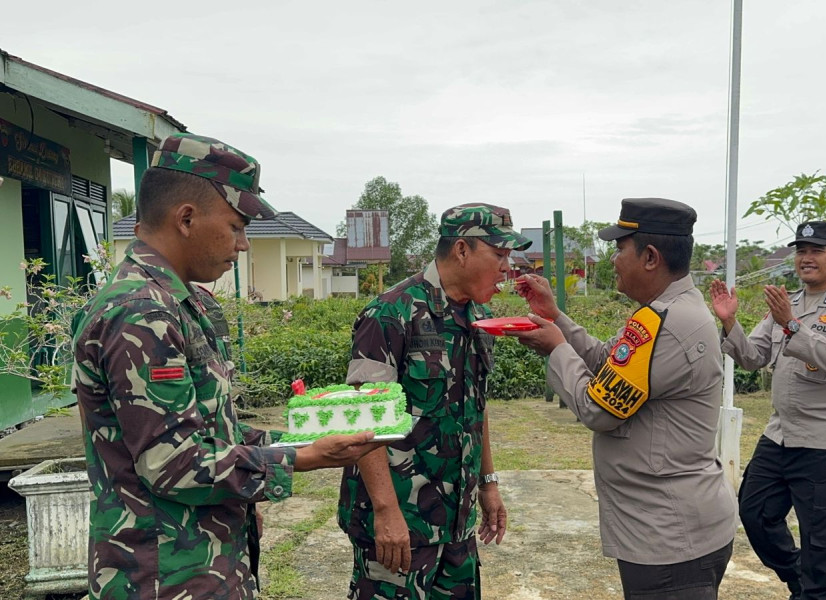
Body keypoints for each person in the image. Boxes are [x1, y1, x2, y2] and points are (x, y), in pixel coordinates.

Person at [71, 133, 382, 600]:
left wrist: (302, 437)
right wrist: (307, 457)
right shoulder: (141, 313)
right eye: (236, 227)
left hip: (202, 562)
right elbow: (172, 464)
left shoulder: (182, 302)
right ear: (186, 218)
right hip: (161, 576)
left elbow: (211, 431)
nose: (242, 245)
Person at [513, 197, 737, 600]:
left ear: (650, 257)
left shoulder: (667, 322)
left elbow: (599, 408)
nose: (613, 260)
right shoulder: (666, 312)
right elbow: (609, 364)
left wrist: (556, 349)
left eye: (619, 249)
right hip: (668, 530)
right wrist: (557, 318)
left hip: (670, 539)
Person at [338, 203, 529, 599]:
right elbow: (361, 417)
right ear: (462, 250)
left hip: (457, 522)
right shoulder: (391, 313)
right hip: (401, 523)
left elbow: (476, 406)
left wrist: (489, 484)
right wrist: (387, 512)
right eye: (499, 254)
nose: (507, 267)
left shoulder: (479, 317)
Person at [709, 221, 826, 600]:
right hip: (779, 436)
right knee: (755, 514)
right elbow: (753, 357)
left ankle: (816, 587)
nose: (807, 257)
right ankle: (801, 580)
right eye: (801, 250)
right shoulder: (789, 304)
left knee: (822, 545)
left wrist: (791, 324)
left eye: (817, 250)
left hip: (825, 444)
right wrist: (730, 322)